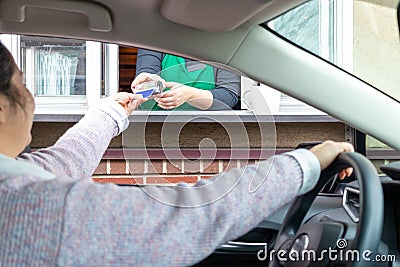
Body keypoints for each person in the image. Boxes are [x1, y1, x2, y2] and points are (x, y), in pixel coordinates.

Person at [0, 42, 353, 266]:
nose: (30, 97)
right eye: (22, 84)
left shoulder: (16, 177)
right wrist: (306, 162)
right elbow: (186, 217)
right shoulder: (34, 208)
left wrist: (108, 113)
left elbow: (58, 164)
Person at [131, 48, 241, 110]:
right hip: (155, 129)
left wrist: (190, 95)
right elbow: (143, 89)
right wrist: (152, 84)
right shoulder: (153, 40)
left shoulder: (226, 45)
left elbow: (229, 96)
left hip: (211, 129)